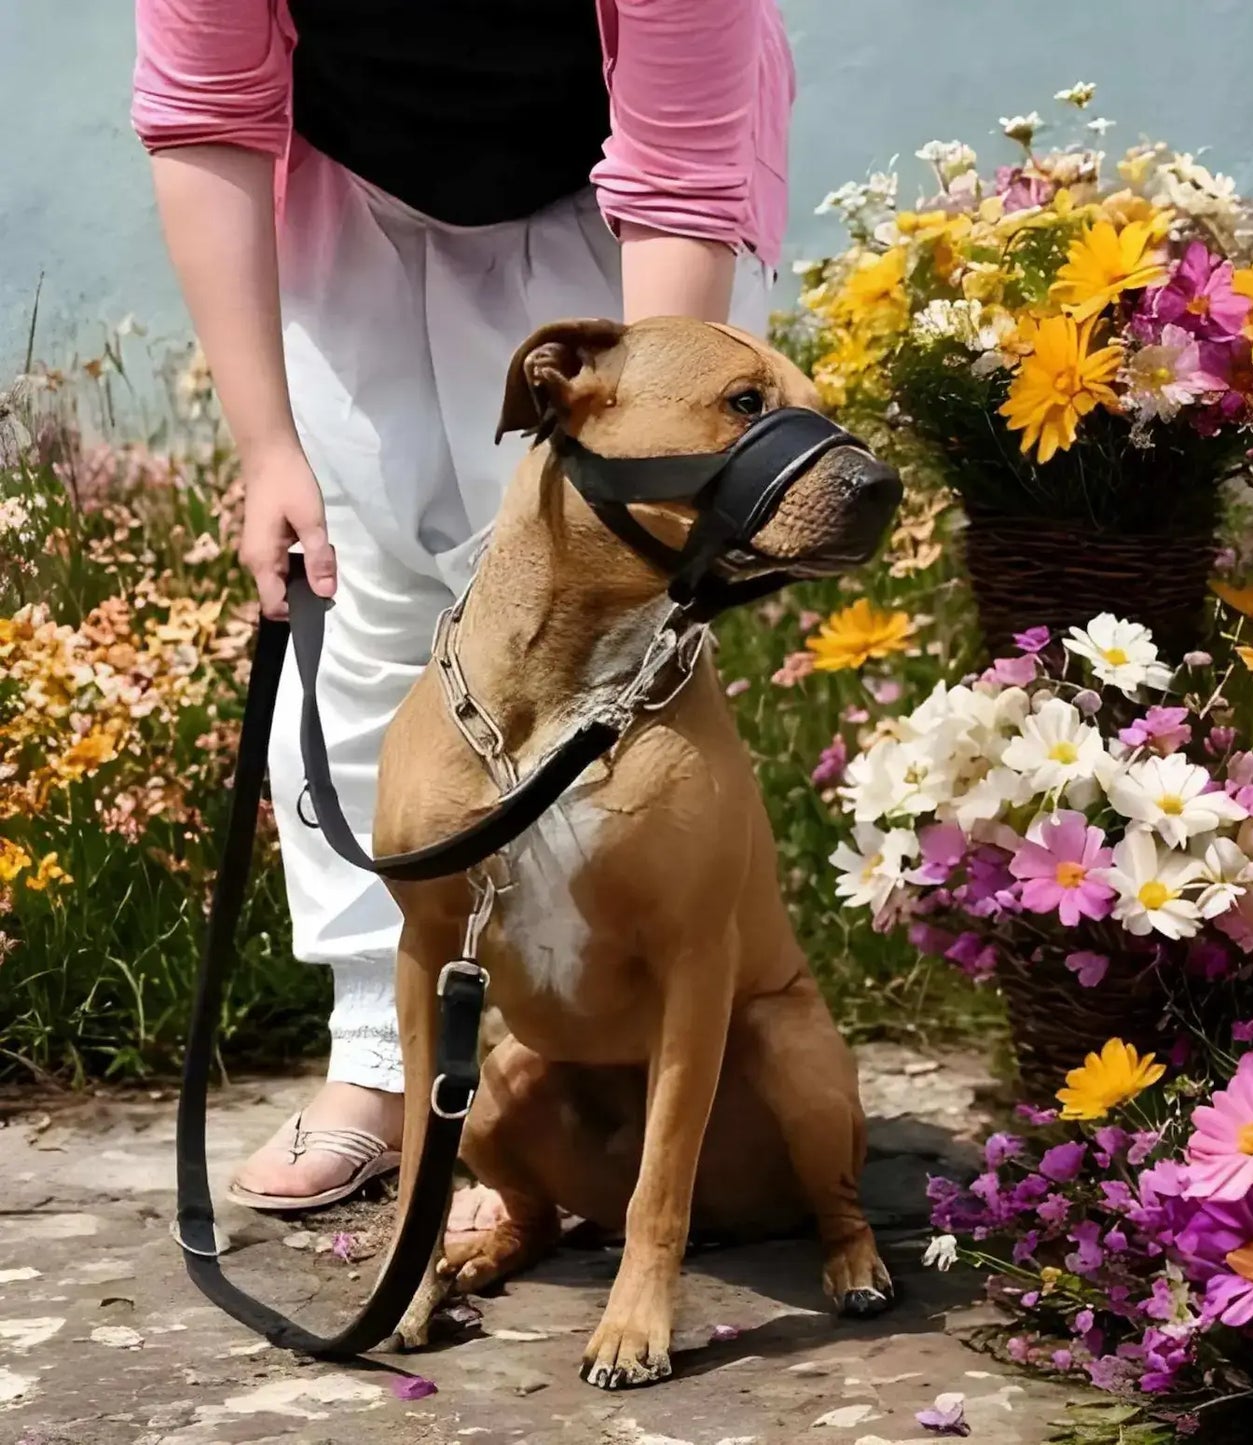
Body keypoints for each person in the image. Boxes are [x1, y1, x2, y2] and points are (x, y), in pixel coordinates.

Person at [133, 0, 794, 1211]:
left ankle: (601, 1057)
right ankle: (384, 1061)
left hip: (619, 212)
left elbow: (680, 167)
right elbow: (206, 113)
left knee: (600, 631)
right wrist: (267, 446)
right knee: (369, 599)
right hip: (356, 189)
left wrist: (640, 461)